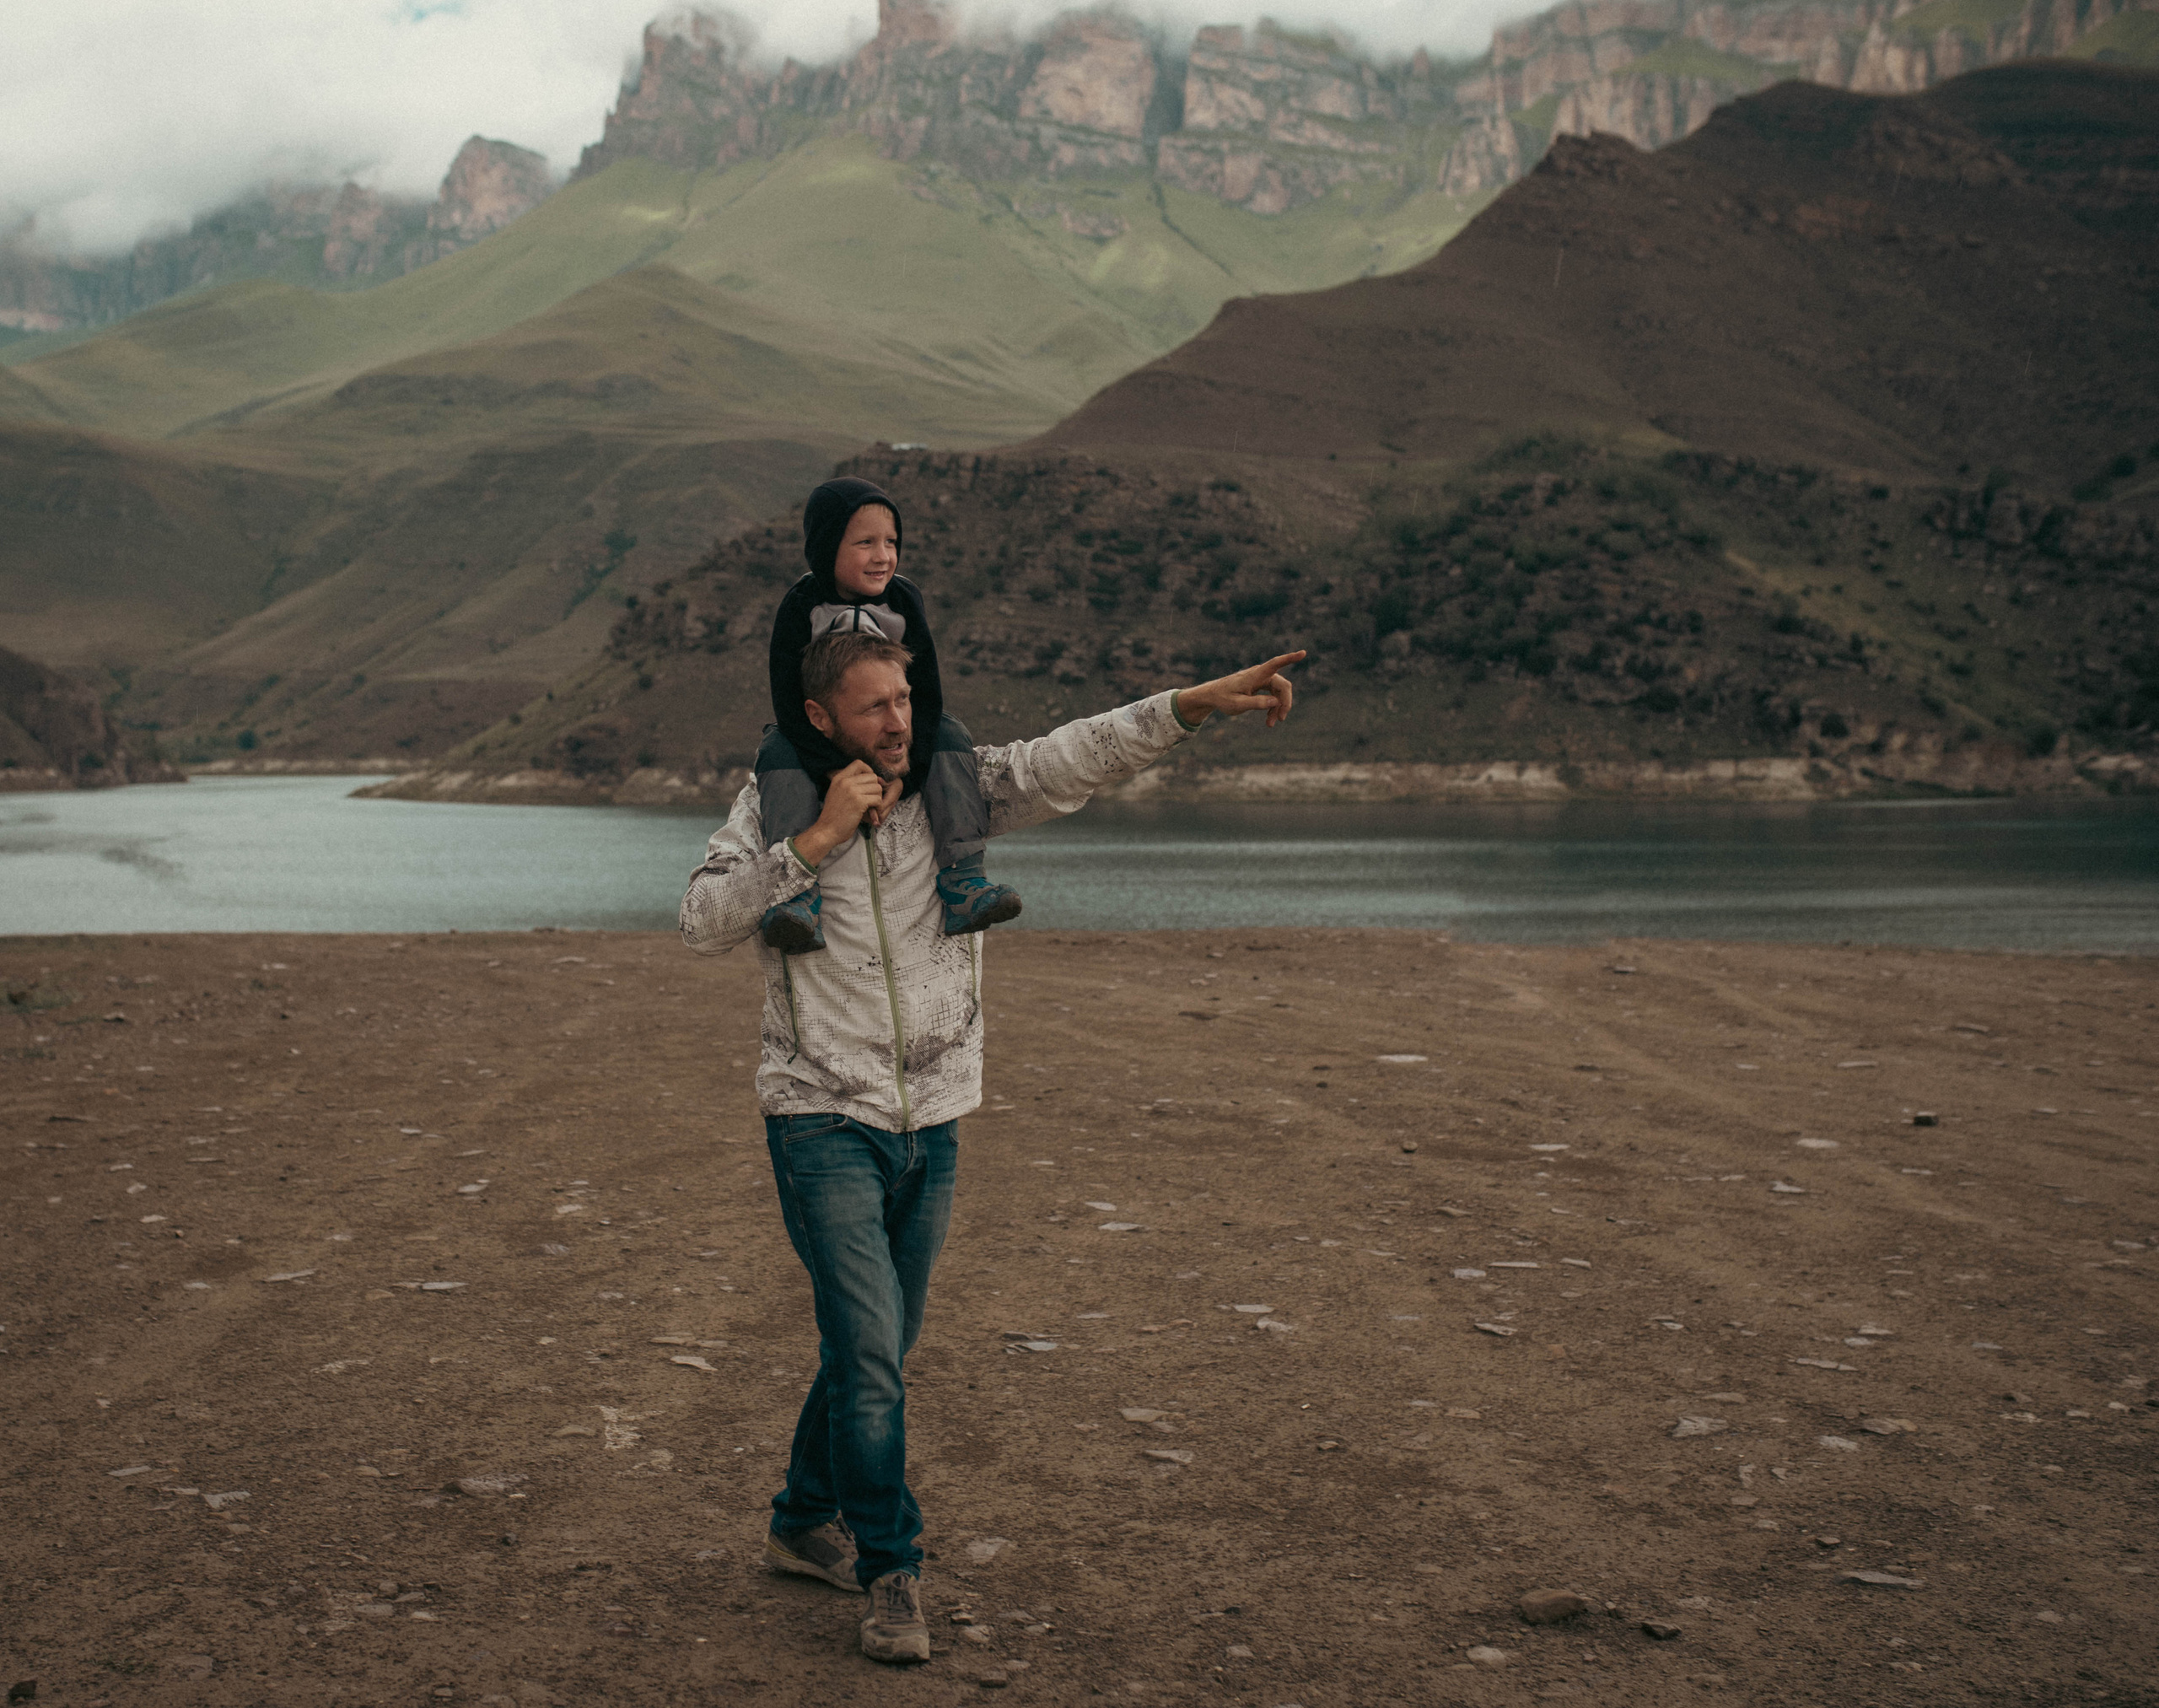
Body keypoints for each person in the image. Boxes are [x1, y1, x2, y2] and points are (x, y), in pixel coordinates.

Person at [680, 628, 1305, 1663]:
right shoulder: (774, 806)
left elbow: (1074, 755)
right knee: (873, 1359)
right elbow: (702, 920)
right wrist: (816, 842)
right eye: (876, 707)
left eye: (906, 699)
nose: (899, 721)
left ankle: (799, 1518)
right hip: (819, 1116)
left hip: (935, 1113)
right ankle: (892, 1572)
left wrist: (1195, 703)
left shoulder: (952, 790)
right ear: (824, 719)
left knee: (876, 1345)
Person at [755, 476, 1021, 955]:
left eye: (891, 542)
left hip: (893, 736)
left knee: (949, 731)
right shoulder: (801, 606)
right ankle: (796, 898)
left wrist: (909, 777)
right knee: (776, 747)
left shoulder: (904, 600)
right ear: (825, 547)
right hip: (820, 738)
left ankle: (964, 881)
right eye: (865, 543)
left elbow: (928, 692)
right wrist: (833, 769)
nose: (883, 556)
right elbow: (789, 704)